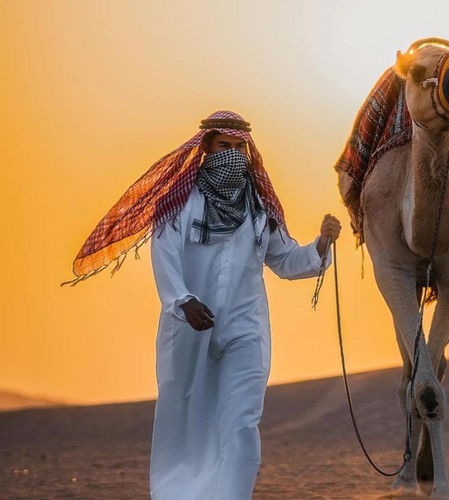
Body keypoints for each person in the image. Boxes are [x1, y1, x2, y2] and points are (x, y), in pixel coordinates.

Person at [64, 110, 341, 499]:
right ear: (206, 148)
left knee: (242, 422)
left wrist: (321, 246)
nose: (233, 155)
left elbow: (285, 261)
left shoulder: (259, 207)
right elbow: (165, 256)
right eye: (224, 146)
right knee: (185, 417)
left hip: (245, 328)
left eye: (239, 148)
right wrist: (182, 300)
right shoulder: (180, 202)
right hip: (189, 327)